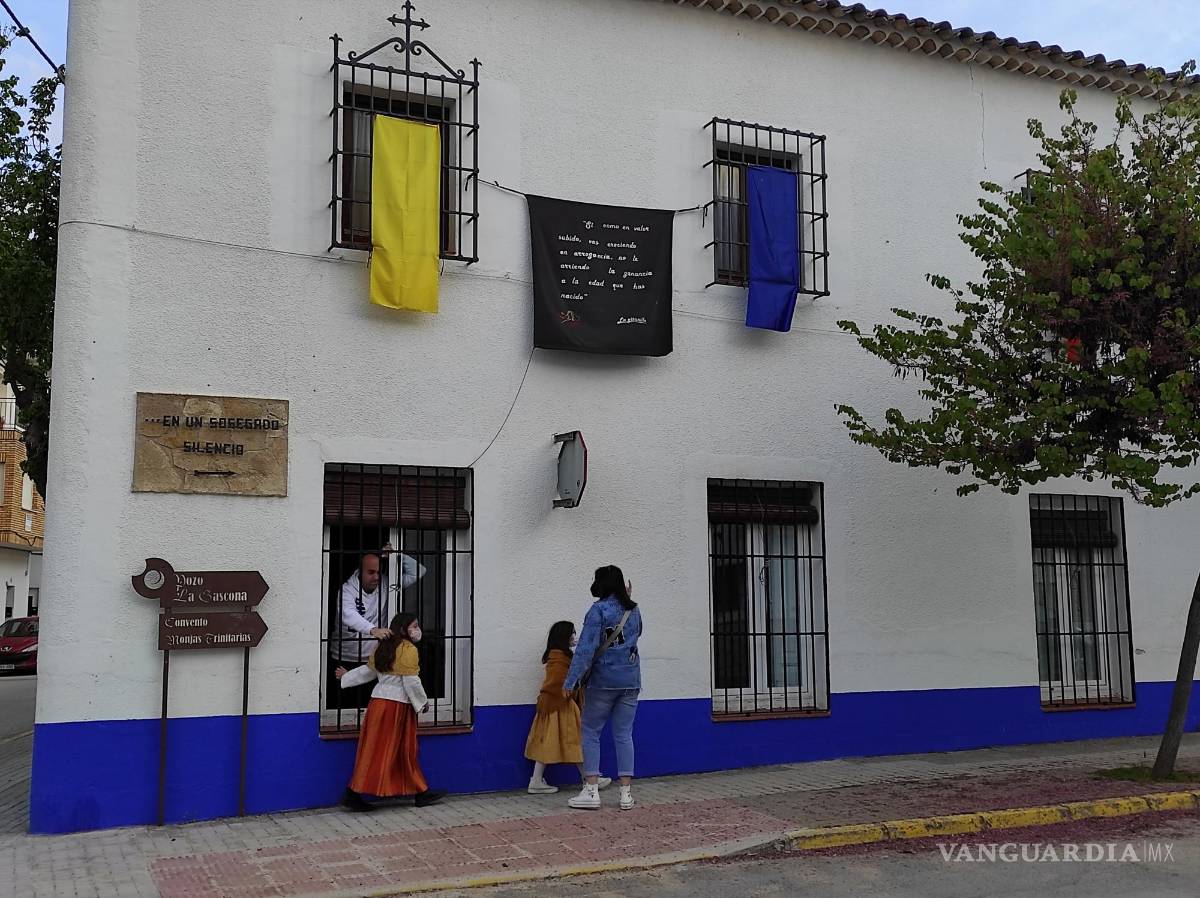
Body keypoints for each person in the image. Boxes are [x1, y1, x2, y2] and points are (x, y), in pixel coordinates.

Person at [335, 612, 445, 811]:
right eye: (414, 626)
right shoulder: (408, 650)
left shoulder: (384, 647)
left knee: (375, 750)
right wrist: (422, 703)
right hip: (396, 707)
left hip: (378, 704)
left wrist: (346, 677)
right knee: (402, 750)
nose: (417, 630)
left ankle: (420, 791)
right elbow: (411, 681)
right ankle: (354, 793)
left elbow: (368, 672)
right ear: (403, 629)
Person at [563, 565, 642, 811]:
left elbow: (585, 649)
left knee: (590, 731)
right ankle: (626, 794)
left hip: (603, 681)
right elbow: (637, 633)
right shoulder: (634, 609)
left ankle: (591, 791)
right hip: (630, 679)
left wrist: (570, 681)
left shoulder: (598, 610)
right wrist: (627, 600)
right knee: (624, 735)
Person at [329, 545, 425, 709]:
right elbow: (348, 614)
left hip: (374, 660)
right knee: (344, 709)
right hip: (345, 657)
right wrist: (373, 630)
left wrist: (396, 555)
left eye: (379, 572)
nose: (376, 577)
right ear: (360, 572)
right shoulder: (347, 590)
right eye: (371, 572)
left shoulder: (387, 583)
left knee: (370, 708)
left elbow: (419, 571)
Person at [524, 621, 612, 794]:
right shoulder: (560, 659)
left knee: (549, 742)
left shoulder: (556, 656)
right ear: (564, 636)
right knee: (575, 740)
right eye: (572, 633)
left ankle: (536, 780)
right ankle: (589, 779)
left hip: (552, 705)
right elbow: (559, 683)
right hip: (561, 705)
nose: (574, 636)